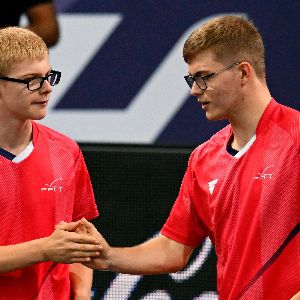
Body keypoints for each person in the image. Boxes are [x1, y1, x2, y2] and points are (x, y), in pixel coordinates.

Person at [59, 15, 300, 299]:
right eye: (192, 79)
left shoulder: (295, 140)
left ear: (244, 72)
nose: (194, 90)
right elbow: (173, 249)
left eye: (204, 77)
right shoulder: (204, 158)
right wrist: (108, 257)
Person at [0, 27, 102, 299]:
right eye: (31, 80)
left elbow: (78, 240)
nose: (46, 88)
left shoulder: (66, 151)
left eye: (48, 77)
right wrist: (46, 249)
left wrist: (80, 294)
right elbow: (55, 247)